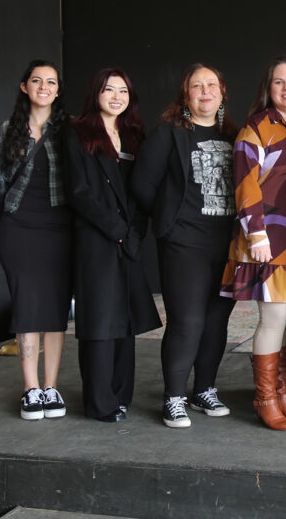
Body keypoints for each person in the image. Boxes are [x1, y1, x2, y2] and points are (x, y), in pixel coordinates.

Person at [131, 64, 239, 429]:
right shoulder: (169, 134)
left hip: (227, 244)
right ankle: (173, 396)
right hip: (184, 244)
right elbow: (142, 184)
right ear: (186, 95)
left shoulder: (235, 135)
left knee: (216, 320)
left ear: (222, 92)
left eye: (211, 85)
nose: (205, 91)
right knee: (187, 320)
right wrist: (171, 222)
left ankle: (204, 389)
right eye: (197, 86)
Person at [220, 57, 286, 431]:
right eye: (279, 82)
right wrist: (256, 235)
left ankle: (284, 394)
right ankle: (265, 399)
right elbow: (245, 183)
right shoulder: (257, 127)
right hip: (269, 235)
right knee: (273, 318)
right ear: (268, 87)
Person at [64, 68, 161, 423]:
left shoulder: (134, 135)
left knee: (125, 320)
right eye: (109, 90)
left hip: (129, 238)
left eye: (123, 91)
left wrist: (134, 232)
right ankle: (99, 401)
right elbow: (79, 192)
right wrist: (117, 229)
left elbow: (143, 188)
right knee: (99, 322)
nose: (117, 97)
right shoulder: (77, 134)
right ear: (96, 93)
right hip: (97, 238)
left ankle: (121, 396)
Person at [0, 60, 73, 421]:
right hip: (19, 227)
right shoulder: (8, 128)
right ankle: (31, 388)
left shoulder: (69, 129)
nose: (44, 87)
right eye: (37, 81)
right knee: (26, 307)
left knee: (55, 309)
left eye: (51, 82)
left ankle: (51, 387)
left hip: (60, 229)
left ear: (57, 90)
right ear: (24, 86)